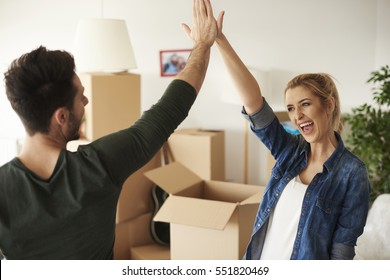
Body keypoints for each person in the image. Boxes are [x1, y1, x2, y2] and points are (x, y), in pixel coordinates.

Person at [0, 0, 218, 260]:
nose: (86, 102)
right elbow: (170, 109)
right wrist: (203, 44)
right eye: (80, 97)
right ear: (61, 116)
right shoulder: (100, 166)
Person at [214, 10, 370, 259]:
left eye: (305, 104)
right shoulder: (289, 150)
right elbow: (254, 103)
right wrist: (220, 40)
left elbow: (342, 250)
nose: (297, 116)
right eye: (290, 108)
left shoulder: (353, 173)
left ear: (328, 105)